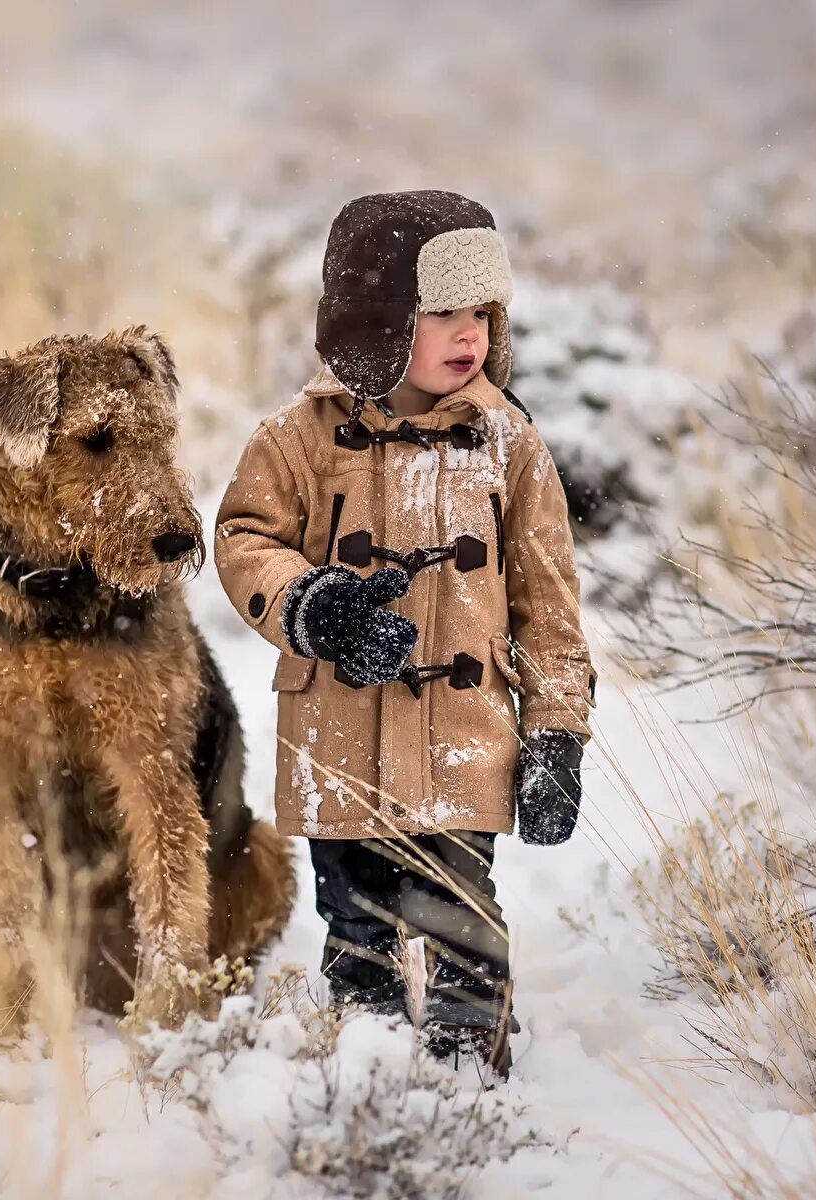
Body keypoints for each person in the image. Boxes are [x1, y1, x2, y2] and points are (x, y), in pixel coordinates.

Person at [214, 190, 595, 1077]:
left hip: (463, 741)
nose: (470, 335)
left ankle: (468, 1080)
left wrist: (557, 734)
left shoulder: (510, 445)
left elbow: (550, 606)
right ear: (379, 320)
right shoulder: (298, 439)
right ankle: (371, 1073)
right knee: (358, 925)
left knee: (461, 915)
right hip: (338, 738)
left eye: (482, 313)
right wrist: (315, 603)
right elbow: (242, 540)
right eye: (443, 313)